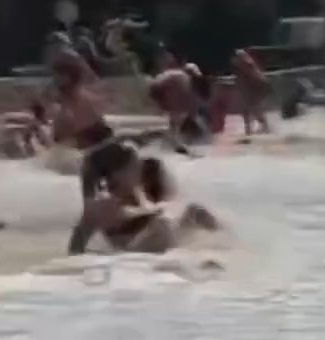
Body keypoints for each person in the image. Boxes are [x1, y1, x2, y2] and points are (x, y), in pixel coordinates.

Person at [67, 142, 219, 255]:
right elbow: (75, 248)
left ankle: (226, 247)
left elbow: (168, 203)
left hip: (153, 236)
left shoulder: (146, 177)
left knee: (196, 211)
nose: (139, 168)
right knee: (162, 228)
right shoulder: (104, 204)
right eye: (133, 167)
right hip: (132, 250)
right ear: (116, 174)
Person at [50, 55, 120, 200]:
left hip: (96, 143)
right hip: (89, 144)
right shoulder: (67, 101)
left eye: (59, 75)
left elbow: (91, 126)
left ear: (70, 76)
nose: (55, 79)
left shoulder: (79, 98)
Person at [148, 66, 207, 152]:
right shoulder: (183, 80)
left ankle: (173, 140)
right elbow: (185, 101)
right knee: (177, 117)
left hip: (156, 87)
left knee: (176, 117)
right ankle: (175, 141)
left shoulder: (178, 76)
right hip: (161, 88)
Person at [232, 49, 270, 137]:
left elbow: (255, 77)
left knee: (253, 109)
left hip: (253, 89)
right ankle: (251, 129)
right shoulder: (243, 64)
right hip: (249, 90)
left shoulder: (247, 64)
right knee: (249, 109)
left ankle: (260, 128)